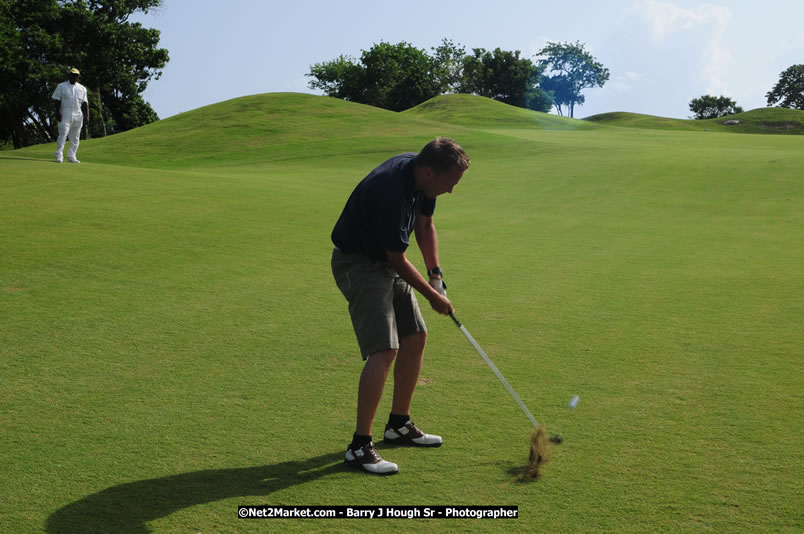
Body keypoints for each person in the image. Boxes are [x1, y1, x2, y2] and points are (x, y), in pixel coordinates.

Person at [331, 137, 470, 475]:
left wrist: (435, 274)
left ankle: (398, 424)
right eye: (449, 183)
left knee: (416, 336)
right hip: (359, 263)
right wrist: (432, 296)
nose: (450, 190)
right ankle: (359, 447)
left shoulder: (423, 176)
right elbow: (397, 257)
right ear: (427, 172)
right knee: (385, 348)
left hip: (386, 261)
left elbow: (424, 224)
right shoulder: (390, 191)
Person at [52, 67, 89, 163]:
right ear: (69, 75)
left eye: (76, 75)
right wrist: (57, 112)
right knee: (63, 134)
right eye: (72, 75)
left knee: (75, 137)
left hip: (78, 113)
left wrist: (87, 116)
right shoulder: (61, 86)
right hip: (65, 112)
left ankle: (71, 155)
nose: (74, 77)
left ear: (78, 77)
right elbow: (57, 100)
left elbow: (85, 103)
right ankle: (59, 154)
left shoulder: (82, 88)